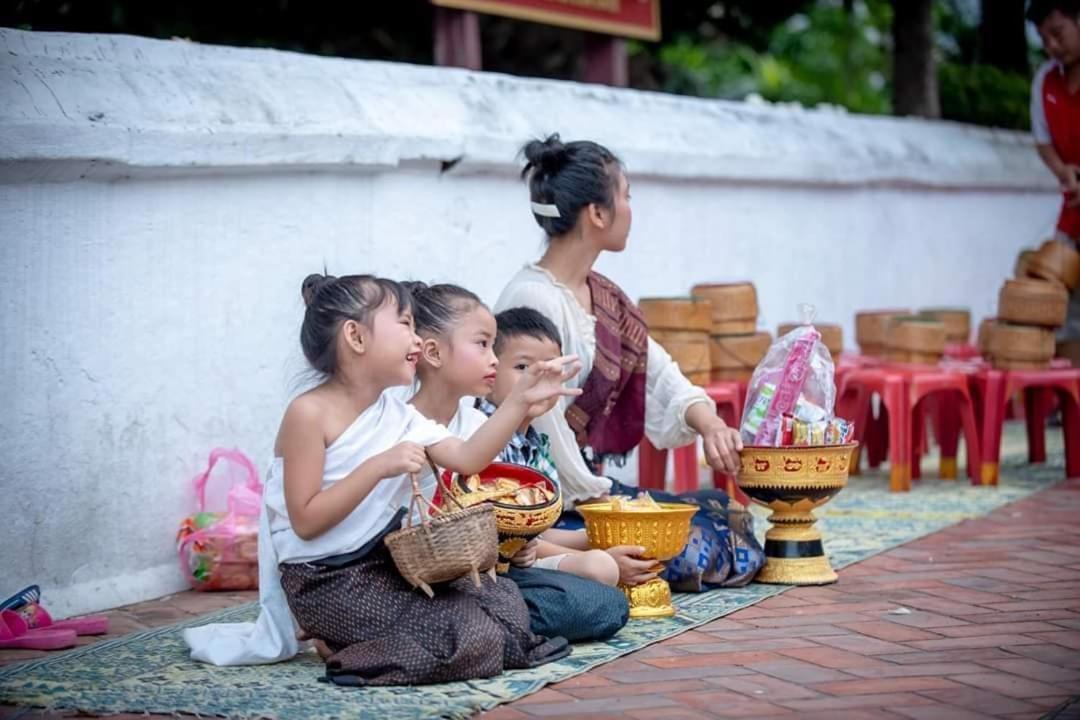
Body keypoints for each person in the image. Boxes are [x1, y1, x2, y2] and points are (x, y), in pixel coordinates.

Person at [184, 273, 582, 684]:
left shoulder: (397, 415)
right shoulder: (309, 414)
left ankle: (364, 641)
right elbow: (305, 520)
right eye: (405, 324)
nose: (416, 340)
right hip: (329, 581)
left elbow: (466, 459)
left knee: (501, 607)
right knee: (470, 636)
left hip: (383, 569)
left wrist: (518, 402)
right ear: (356, 337)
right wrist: (378, 466)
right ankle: (345, 649)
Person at [494, 134, 763, 590]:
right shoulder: (533, 297)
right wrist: (609, 504)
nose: (631, 208)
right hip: (555, 507)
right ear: (598, 213)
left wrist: (712, 426)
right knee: (703, 543)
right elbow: (544, 425)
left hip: (593, 493)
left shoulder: (601, 294)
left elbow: (663, 376)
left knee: (726, 512)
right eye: (626, 196)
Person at [405, 282, 629, 642]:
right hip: (424, 576)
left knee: (604, 604)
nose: (492, 359)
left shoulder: (476, 424)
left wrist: (518, 546)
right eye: (482, 345)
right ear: (433, 353)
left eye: (493, 347)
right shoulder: (403, 422)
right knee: (588, 597)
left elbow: (503, 523)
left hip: (488, 575)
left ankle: (484, 624)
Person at [1030, 0, 1080, 364]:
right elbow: (1043, 140)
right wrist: (1063, 171)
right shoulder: (1045, 80)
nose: (1052, 45)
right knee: (1056, 304)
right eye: (1044, 38)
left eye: (1059, 33)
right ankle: (1066, 398)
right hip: (1072, 213)